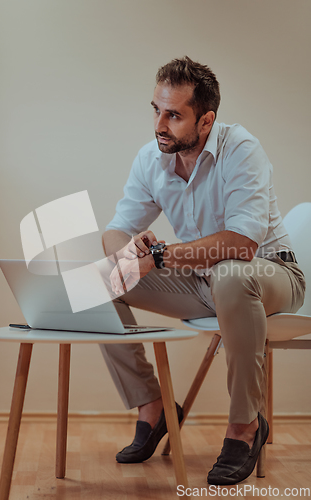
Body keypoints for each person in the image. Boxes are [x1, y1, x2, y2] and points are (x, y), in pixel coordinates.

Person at [100, 56, 306, 485]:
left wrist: (159, 256)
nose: (160, 124)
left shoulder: (241, 149)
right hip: (202, 281)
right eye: (156, 110)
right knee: (103, 280)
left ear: (206, 120)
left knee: (231, 274)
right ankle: (153, 406)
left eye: (174, 115)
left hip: (270, 276)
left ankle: (244, 427)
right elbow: (117, 229)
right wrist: (126, 255)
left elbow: (242, 244)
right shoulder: (151, 158)